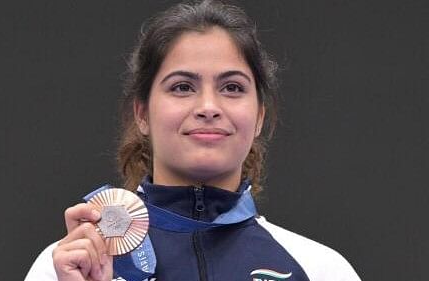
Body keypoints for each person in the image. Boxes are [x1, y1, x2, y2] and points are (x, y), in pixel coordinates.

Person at [25, 0, 361, 280]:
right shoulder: (67, 267)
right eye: (182, 87)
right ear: (142, 113)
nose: (208, 107)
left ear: (259, 117)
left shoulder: (321, 270)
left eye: (232, 88)